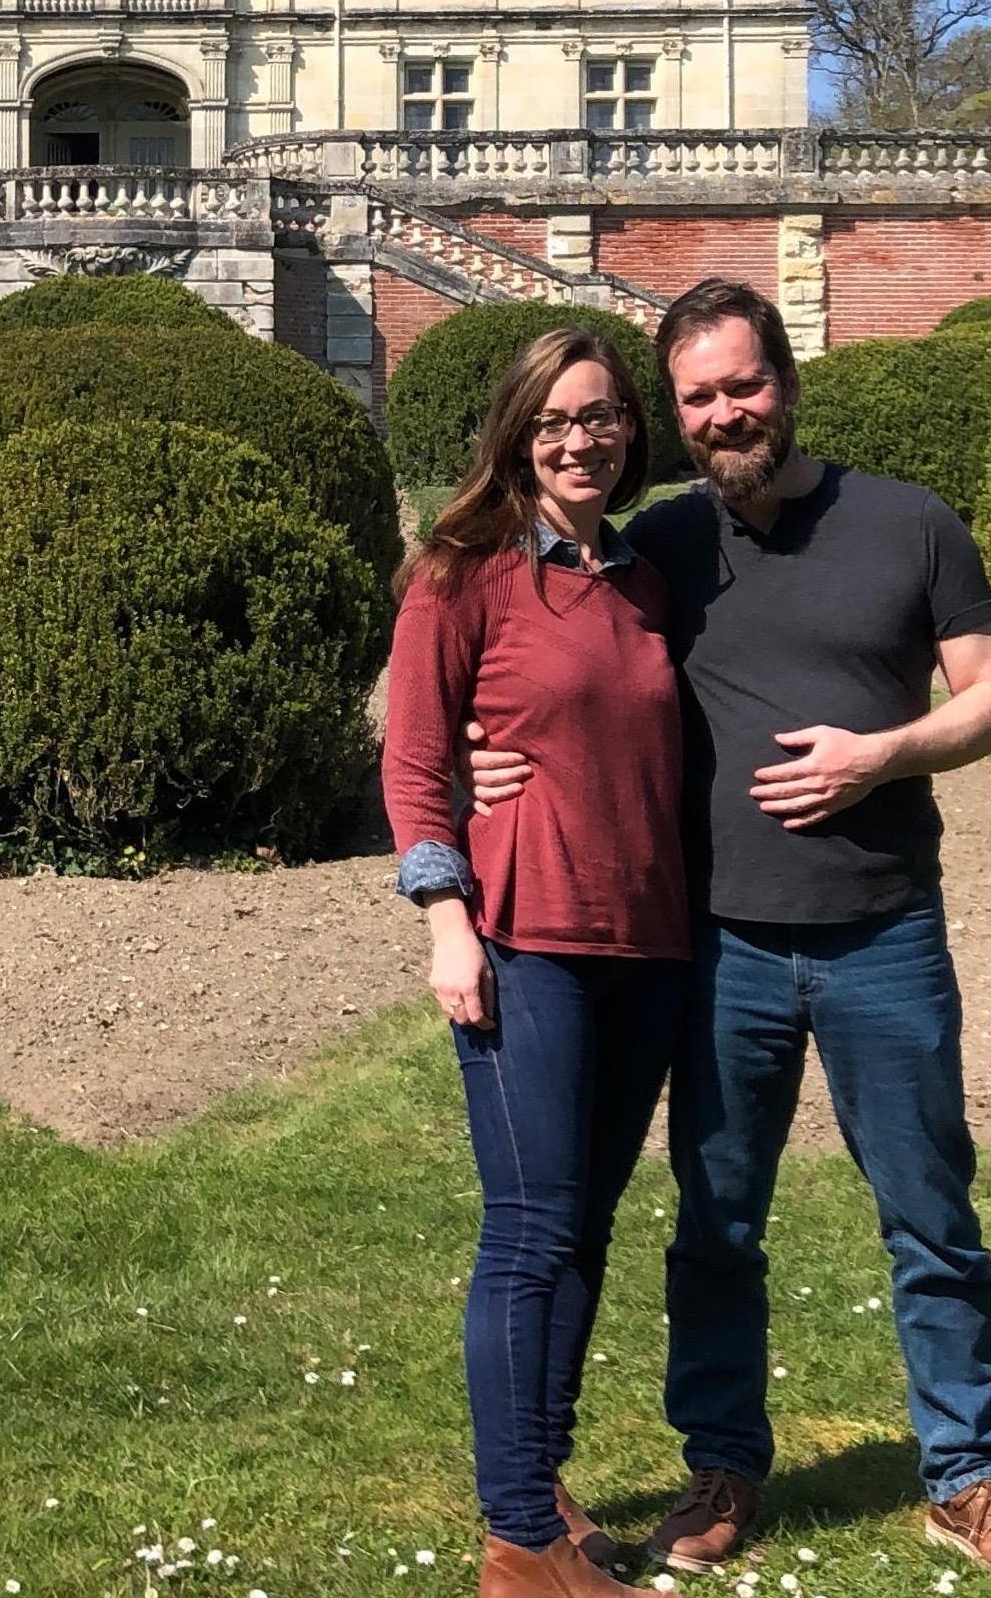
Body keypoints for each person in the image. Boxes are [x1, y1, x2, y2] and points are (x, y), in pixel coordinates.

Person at [467, 278, 991, 1587]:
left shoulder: (907, 525)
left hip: (883, 931)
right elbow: (528, 640)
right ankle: (722, 1467)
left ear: (786, 381)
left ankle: (966, 1478)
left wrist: (884, 753)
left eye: (743, 384)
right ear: (674, 414)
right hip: (722, 942)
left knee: (929, 1215)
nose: (724, 411)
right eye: (697, 396)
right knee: (717, 1223)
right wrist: (473, 750)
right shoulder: (666, 544)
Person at [383, 328, 692, 1598]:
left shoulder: (642, 575)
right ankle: (517, 1539)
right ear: (517, 433)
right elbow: (410, 761)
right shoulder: (460, 572)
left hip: (648, 940)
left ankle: (545, 1490)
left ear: (631, 434)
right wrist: (445, 917)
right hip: (524, 936)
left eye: (605, 416)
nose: (582, 439)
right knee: (529, 1228)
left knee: (585, 1226)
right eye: (558, 419)